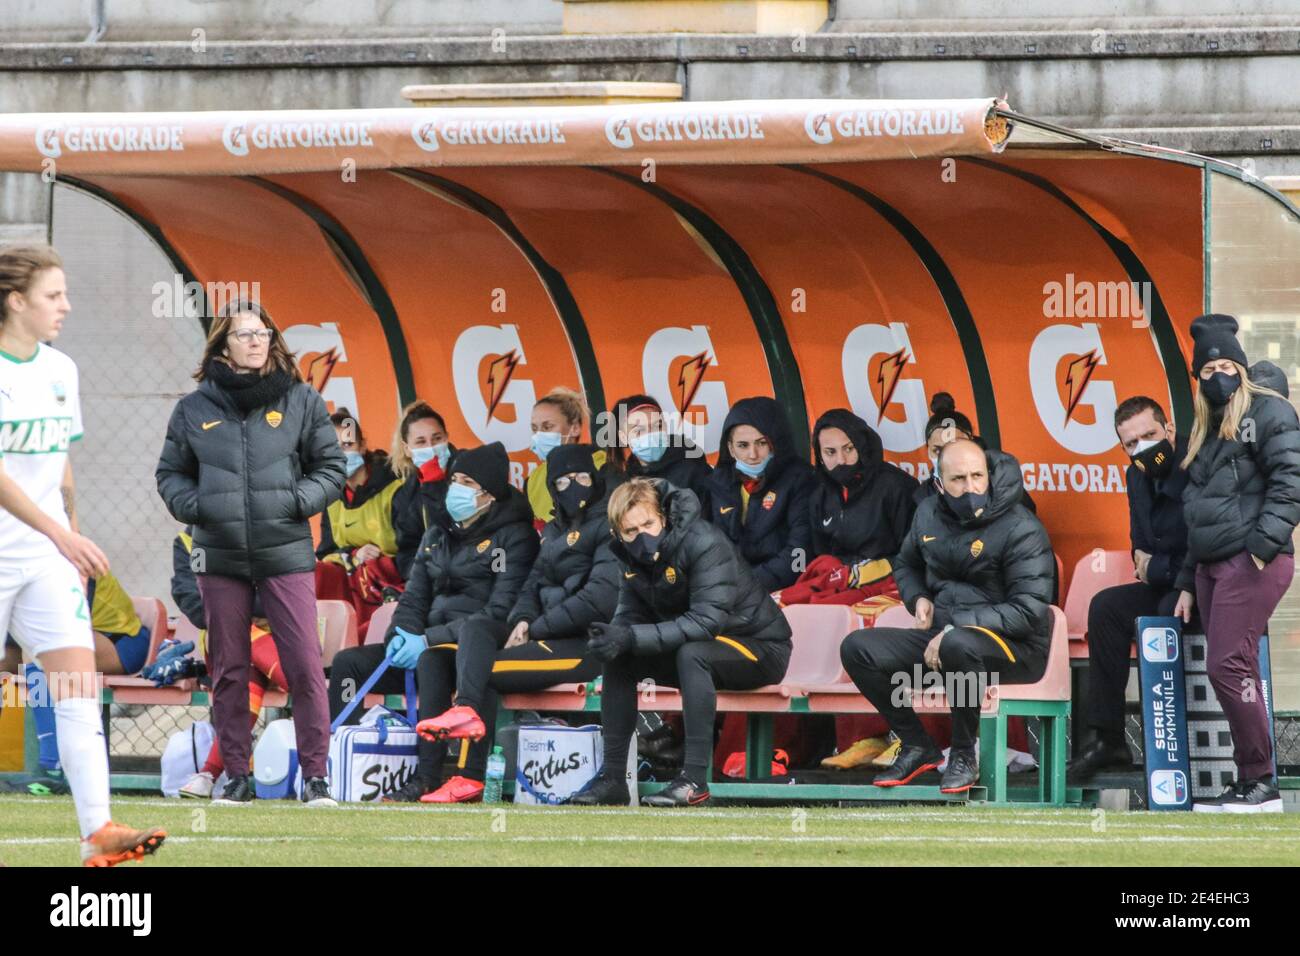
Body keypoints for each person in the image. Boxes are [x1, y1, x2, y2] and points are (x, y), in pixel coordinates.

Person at [0, 243, 165, 864]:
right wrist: (60, 533)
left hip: (45, 560)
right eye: (53, 295)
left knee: (75, 688)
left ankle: (98, 833)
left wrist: (70, 536)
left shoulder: (60, 369)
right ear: (16, 301)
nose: (66, 305)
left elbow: (61, 465)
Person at [156, 298, 346, 807]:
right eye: (244, 334)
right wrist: (198, 506)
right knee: (230, 669)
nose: (256, 340)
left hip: (285, 551)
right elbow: (169, 474)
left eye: (262, 332)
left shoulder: (303, 399)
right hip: (219, 555)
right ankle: (235, 776)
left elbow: (331, 468)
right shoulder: (193, 408)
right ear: (223, 345)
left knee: (304, 665)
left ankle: (317, 779)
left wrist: (294, 502)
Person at [839, 440, 1055, 793]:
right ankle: (916, 745)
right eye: (958, 479)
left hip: (1016, 649)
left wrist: (957, 626)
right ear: (939, 484)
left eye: (976, 476)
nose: (970, 487)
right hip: (944, 640)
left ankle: (963, 752)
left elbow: (1028, 611)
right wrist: (918, 597)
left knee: (958, 644)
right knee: (858, 647)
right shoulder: (927, 513)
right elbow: (905, 562)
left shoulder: (1021, 526)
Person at [328, 442, 538, 803]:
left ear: (489, 493)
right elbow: (414, 596)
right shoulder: (437, 532)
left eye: (467, 482)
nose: (456, 488)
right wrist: (402, 634)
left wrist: (427, 640)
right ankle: (335, 762)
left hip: (472, 648)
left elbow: (499, 610)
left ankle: (427, 776)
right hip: (422, 643)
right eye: (454, 478)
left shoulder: (513, 537)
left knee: (431, 659)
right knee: (349, 664)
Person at [568, 477, 793, 807]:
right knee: (620, 656)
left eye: (648, 524)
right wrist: (613, 639)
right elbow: (630, 614)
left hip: (759, 647)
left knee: (692, 653)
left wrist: (631, 636)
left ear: (663, 516)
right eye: (631, 532)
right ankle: (614, 778)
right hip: (699, 648)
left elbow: (705, 622)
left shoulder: (704, 541)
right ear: (618, 533)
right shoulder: (628, 558)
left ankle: (694, 781)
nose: (642, 537)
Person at [416, 443, 618, 794]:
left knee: (486, 673)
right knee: (476, 629)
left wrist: (536, 627)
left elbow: (597, 600)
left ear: (595, 479)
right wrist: (524, 618)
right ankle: (457, 753)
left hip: (588, 645)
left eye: (582, 477)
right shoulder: (554, 530)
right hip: (545, 638)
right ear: (552, 488)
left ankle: (471, 774)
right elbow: (532, 584)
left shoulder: (608, 527)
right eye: (564, 481)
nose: (574, 487)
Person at [1174, 314, 1300, 813]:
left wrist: (1259, 549)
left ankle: (1261, 781)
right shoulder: (1204, 426)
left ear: (1242, 368)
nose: (1220, 375)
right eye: (1209, 369)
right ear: (1198, 377)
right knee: (1230, 666)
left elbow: (1291, 484)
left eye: (1228, 364)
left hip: (1251, 562)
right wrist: (1187, 579)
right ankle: (1251, 779)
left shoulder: (1271, 412)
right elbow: (1197, 512)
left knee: (1227, 665)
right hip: (1210, 565)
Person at [1070, 396, 1189, 779]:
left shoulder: (1197, 463)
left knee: (1165, 609)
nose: (1143, 448)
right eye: (1132, 444)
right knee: (1106, 607)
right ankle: (1108, 740)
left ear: (1168, 429)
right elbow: (1139, 542)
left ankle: (1172, 743)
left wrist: (1158, 567)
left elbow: (1206, 544)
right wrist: (1152, 565)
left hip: (1199, 583)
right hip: (1163, 577)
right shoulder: (1135, 475)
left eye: (1150, 435)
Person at [170, 526, 287, 800]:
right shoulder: (187, 542)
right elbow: (191, 599)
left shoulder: (262, 527)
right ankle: (316, 700)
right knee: (242, 646)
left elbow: (283, 593)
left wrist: (245, 608)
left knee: (244, 686)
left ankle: (210, 775)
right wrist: (235, 615)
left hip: (282, 632)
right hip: (225, 635)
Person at [782, 408, 918, 606]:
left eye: (849, 449)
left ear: (862, 447)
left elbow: (913, 553)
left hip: (889, 581)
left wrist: (869, 570)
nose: (841, 460)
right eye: (830, 452)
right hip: (839, 579)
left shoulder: (896, 486)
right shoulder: (819, 495)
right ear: (819, 456)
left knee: (825, 612)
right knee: (790, 605)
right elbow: (820, 555)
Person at [703, 396, 815, 592]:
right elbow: (709, 548)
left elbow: (800, 553)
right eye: (743, 445)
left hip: (782, 588)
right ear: (730, 448)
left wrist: (747, 585)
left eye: (761, 443)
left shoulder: (800, 480)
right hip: (732, 590)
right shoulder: (718, 482)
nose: (753, 454)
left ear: (776, 443)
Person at [314, 408, 406, 633]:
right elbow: (325, 553)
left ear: (363, 446)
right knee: (315, 572)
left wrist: (375, 558)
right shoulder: (331, 496)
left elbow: (412, 547)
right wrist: (355, 555)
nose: (342, 455)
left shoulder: (396, 485)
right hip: (351, 579)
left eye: (348, 445)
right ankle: (324, 642)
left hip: (394, 578)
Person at [605, 394, 712, 514]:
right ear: (623, 437)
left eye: (658, 426)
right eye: (639, 431)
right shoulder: (625, 482)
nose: (650, 435)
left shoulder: (692, 468)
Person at [526, 387, 607, 530]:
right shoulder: (533, 479)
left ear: (575, 428)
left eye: (547, 427)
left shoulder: (602, 467)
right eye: (534, 429)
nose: (539, 435)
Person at [390, 400, 455, 579]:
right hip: (428, 583)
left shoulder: (470, 473)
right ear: (407, 449)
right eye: (421, 442)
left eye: (437, 438)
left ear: (447, 437)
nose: (431, 448)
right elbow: (407, 552)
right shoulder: (404, 496)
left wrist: (435, 485)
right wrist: (422, 579)